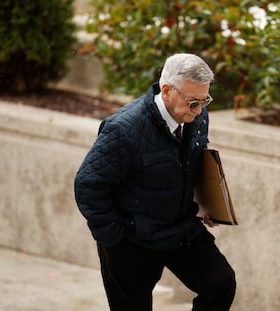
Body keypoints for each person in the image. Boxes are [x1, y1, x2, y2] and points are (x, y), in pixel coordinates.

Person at [74, 53, 236, 311]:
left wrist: (209, 204)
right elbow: (88, 185)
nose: (198, 111)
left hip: (181, 229)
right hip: (132, 240)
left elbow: (194, 160)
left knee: (221, 284)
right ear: (167, 90)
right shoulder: (124, 129)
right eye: (193, 102)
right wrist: (115, 238)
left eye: (204, 100)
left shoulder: (197, 117)